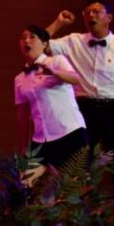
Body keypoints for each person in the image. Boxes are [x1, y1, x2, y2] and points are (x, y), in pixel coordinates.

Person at [45, 0, 114, 199]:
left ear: (109, 17)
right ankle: (81, 212)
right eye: (87, 12)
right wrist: (59, 22)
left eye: (97, 11)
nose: (91, 15)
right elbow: (40, 45)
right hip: (85, 109)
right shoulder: (73, 41)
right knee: (81, 162)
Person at [13, 25, 88, 168]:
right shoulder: (19, 78)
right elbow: (22, 114)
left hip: (69, 132)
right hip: (41, 138)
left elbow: (75, 78)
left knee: (74, 180)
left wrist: (55, 72)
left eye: (32, 37)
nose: (26, 41)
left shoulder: (57, 61)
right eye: (23, 38)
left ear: (45, 44)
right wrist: (22, 145)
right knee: (28, 179)